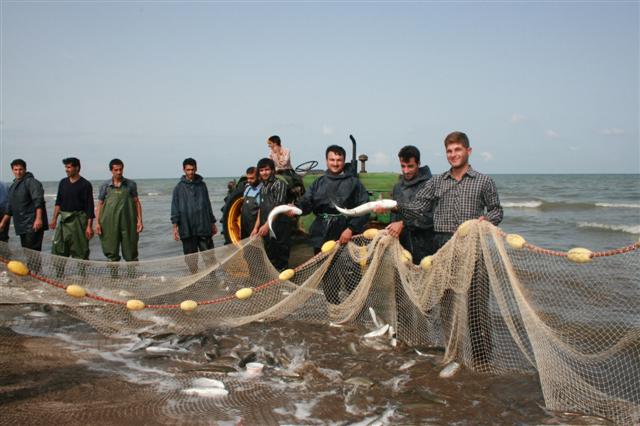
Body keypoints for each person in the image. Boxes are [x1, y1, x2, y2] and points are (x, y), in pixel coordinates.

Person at [391, 131, 503, 370]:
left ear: (468, 151)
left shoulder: (484, 181)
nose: (453, 155)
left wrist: (486, 220)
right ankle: (454, 356)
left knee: (476, 307)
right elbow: (417, 209)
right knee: (447, 305)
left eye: (457, 150)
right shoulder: (437, 182)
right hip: (441, 248)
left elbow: (497, 211)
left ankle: (483, 362)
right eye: (449, 151)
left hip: (472, 248)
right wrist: (395, 208)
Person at [296, 145, 369, 304]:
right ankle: (334, 309)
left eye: (339, 160)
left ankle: (354, 310)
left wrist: (351, 229)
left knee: (351, 272)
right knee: (327, 274)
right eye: (332, 160)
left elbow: (364, 210)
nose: (335, 163)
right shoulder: (318, 183)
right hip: (321, 232)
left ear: (343, 161)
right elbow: (306, 203)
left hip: (346, 232)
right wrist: (295, 209)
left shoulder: (354, 183)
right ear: (326, 160)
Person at [387, 145, 435, 264]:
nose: (406, 171)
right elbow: (394, 216)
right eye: (403, 166)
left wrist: (403, 224)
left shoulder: (430, 185)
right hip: (401, 248)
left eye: (410, 166)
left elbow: (431, 217)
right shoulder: (397, 187)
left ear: (418, 164)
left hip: (426, 249)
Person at [171, 158, 218, 272]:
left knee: (209, 256)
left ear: (196, 168)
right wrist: (175, 227)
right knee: (191, 258)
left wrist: (212, 222)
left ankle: (213, 279)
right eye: (188, 170)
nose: (191, 172)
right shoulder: (178, 188)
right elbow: (175, 208)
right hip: (187, 228)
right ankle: (194, 278)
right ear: (183, 170)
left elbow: (207, 204)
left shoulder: (202, 185)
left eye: (192, 169)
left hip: (203, 226)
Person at [95, 159, 143, 262]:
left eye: (120, 169)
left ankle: (132, 276)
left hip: (128, 221)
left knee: (131, 250)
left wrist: (139, 221)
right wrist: (97, 223)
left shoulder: (130, 184)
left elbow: (136, 202)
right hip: (109, 222)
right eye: (116, 170)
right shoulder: (105, 186)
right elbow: (100, 204)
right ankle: (114, 277)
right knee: (111, 250)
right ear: (111, 170)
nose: (119, 172)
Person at [49, 157, 95, 260]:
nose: (66, 169)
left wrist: (89, 226)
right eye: (66, 167)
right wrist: (54, 219)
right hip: (64, 221)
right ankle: (59, 274)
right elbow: (58, 202)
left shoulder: (85, 184)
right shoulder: (63, 182)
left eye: (69, 167)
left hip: (78, 221)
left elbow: (89, 207)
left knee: (80, 250)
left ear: (77, 168)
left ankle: (82, 275)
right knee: (59, 248)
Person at [0, 159, 48, 254]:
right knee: (27, 253)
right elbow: (9, 208)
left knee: (33, 253)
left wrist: (38, 219)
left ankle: (35, 269)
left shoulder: (32, 182)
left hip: (33, 224)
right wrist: (2, 223)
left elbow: (39, 201)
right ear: (12, 170)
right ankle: (30, 269)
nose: (18, 172)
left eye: (21, 169)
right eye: (16, 169)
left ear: (25, 169)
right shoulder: (13, 186)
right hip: (21, 225)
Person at [252, 158, 291, 271]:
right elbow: (261, 208)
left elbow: (277, 207)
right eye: (262, 170)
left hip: (279, 226)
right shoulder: (262, 187)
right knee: (270, 254)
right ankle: (274, 281)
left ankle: (284, 282)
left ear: (273, 170)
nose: (264, 172)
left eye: (267, 169)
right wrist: (256, 227)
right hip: (267, 226)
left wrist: (266, 225)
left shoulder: (279, 184)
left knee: (281, 255)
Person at [241, 166, 262, 240]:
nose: (249, 180)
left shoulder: (262, 190)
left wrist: (256, 228)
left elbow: (261, 212)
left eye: (252, 178)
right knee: (246, 249)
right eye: (248, 178)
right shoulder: (248, 189)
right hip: (245, 226)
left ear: (259, 177)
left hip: (255, 227)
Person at [0, 181, 9, 245]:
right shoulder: (5, 185)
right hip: (6, 212)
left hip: (3, 211)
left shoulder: (4, 185)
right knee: (3, 238)